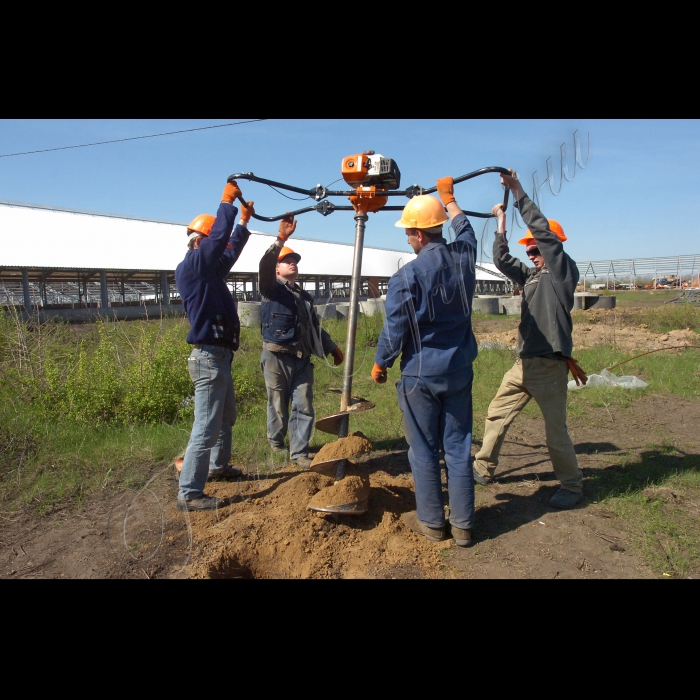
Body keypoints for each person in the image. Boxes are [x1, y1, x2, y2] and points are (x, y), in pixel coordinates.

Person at [371, 178, 478, 547]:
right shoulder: (464, 259)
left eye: (408, 233)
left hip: (421, 375)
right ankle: (463, 527)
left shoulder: (407, 276)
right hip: (459, 368)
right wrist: (450, 199)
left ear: (417, 234)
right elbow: (466, 230)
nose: (407, 240)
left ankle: (433, 523)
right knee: (459, 447)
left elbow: (395, 327)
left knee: (423, 450)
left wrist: (381, 362)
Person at [473, 169, 584, 509]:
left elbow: (541, 231)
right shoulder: (532, 276)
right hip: (522, 365)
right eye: (531, 250)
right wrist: (501, 225)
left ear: (553, 246)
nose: (533, 253)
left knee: (555, 433)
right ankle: (482, 467)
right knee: (496, 414)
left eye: (537, 248)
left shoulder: (563, 273)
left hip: (550, 368)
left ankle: (573, 487)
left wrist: (518, 191)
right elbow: (502, 261)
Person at [174, 179, 253, 512]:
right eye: (212, 244)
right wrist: (227, 204)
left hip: (220, 357)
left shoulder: (209, 273)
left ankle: (219, 468)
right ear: (200, 243)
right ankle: (190, 493)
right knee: (206, 426)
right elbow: (220, 238)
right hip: (208, 358)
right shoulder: (192, 266)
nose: (217, 251)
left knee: (225, 417)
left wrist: (245, 223)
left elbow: (228, 250)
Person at [259, 214, 344, 468]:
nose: (292, 264)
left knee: (304, 404)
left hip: (302, 359)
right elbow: (264, 266)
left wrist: (331, 347)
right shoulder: (270, 288)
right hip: (277, 356)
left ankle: (299, 452)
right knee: (277, 405)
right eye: (287, 261)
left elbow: (314, 327)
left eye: (294, 261)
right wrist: (280, 240)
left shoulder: (304, 296)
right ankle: (276, 443)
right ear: (277, 268)